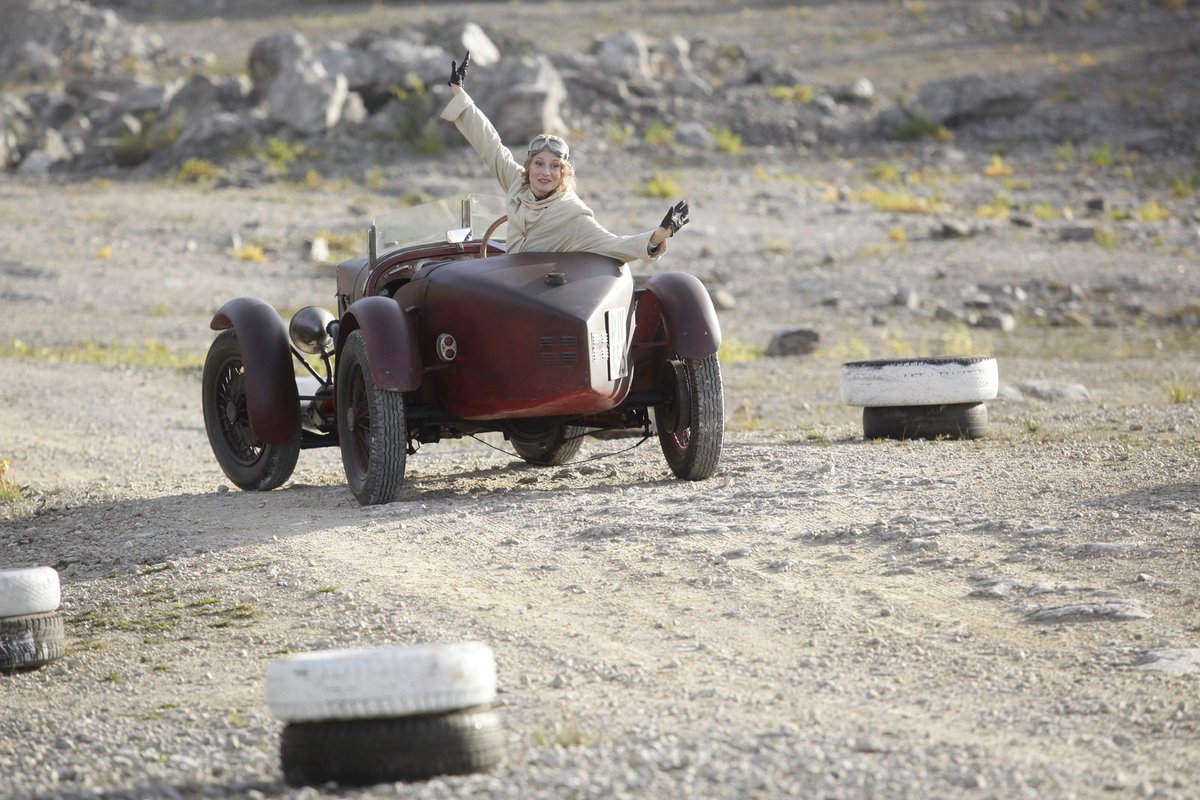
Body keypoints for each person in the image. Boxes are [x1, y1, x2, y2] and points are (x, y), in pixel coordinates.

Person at [440, 52, 688, 262]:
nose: (545, 172)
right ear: (529, 167)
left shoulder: (572, 214)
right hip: (504, 284)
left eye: (554, 166)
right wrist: (460, 94)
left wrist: (657, 237)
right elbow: (490, 144)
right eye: (539, 164)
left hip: (541, 298)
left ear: (563, 173)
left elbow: (614, 244)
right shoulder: (518, 184)